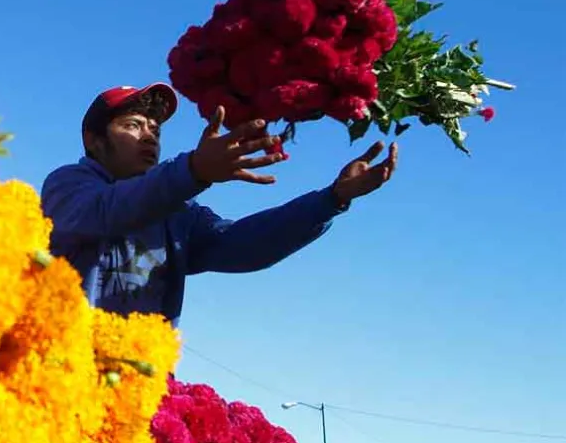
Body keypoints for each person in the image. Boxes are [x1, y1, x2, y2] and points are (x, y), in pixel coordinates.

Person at [40, 82, 398, 326]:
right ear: (94, 140)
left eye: (156, 130)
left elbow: (239, 245)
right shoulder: (67, 187)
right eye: (133, 125)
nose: (149, 136)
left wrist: (331, 200)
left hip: (137, 382)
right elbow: (108, 211)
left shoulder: (179, 212)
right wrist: (194, 169)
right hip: (63, 373)